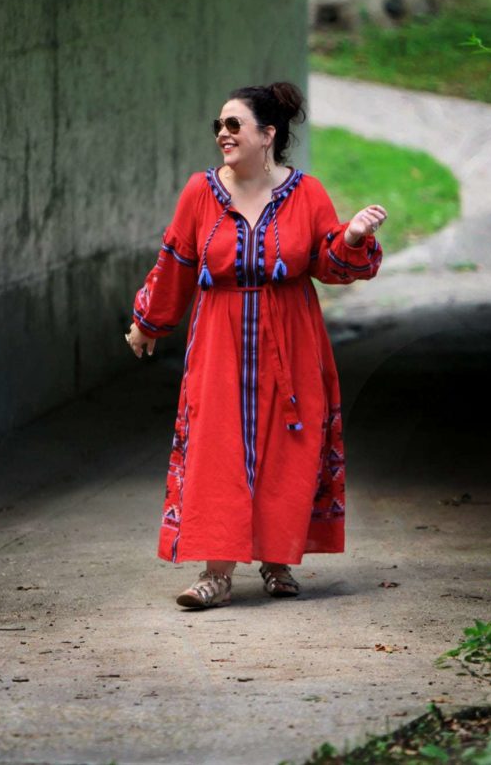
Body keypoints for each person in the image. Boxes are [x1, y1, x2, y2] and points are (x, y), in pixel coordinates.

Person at [125, 81, 386, 609]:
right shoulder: (200, 192)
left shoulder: (306, 193)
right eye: (219, 125)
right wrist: (148, 322)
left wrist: (353, 236)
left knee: (287, 446)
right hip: (219, 339)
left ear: (267, 135)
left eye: (234, 125)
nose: (223, 134)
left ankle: (278, 560)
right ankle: (215, 574)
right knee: (215, 447)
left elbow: (329, 264)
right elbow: (176, 261)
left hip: (291, 336)